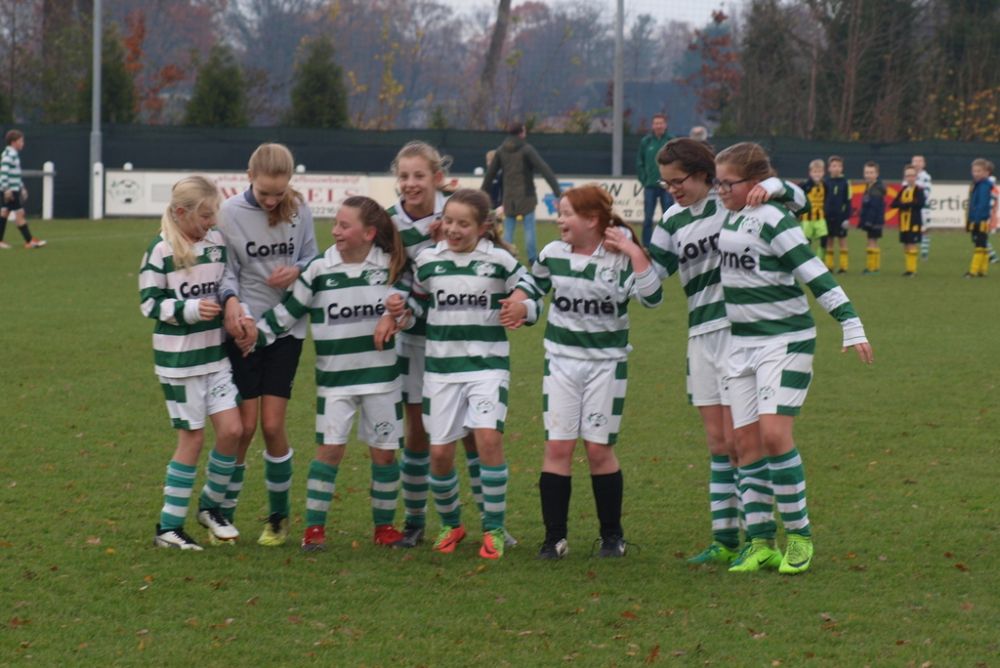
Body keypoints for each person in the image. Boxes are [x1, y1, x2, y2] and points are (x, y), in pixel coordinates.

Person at [714, 142, 873, 575]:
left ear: (753, 182)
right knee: (743, 444)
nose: (721, 190)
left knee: (773, 435)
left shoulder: (772, 218)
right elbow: (796, 195)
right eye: (718, 183)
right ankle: (761, 542)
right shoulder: (729, 213)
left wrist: (850, 322)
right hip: (740, 344)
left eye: (727, 183)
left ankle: (799, 537)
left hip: (785, 341)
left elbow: (813, 271)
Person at [647, 138, 805, 566]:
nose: (672, 190)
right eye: (665, 184)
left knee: (743, 441)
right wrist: (624, 255)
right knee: (719, 443)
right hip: (701, 336)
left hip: (740, 332)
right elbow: (652, 279)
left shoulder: (732, 203)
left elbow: (799, 200)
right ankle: (725, 539)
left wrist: (775, 188)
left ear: (703, 175)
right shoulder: (672, 219)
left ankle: (761, 538)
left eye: (677, 181)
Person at [500, 185, 663, 559]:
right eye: (560, 212)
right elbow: (531, 287)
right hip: (561, 364)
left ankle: (612, 537)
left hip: (606, 367)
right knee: (557, 446)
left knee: (598, 450)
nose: (559, 220)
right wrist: (520, 306)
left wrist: (634, 252)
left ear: (591, 219)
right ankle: (554, 539)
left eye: (566, 213)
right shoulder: (553, 254)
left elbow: (653, 298)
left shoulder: (619, 258)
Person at [252, 196, 411, 551]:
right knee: (329, 451)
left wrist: (399, 314)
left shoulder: (389, 266)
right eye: (336, 223)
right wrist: (251, 336)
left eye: (344, 225)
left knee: (385, 455)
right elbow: (286, 314)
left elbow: (410, 311)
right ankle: (314, 529)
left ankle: (384, 527)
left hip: (383, 380)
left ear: (369, 233)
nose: (335, 231)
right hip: (335, 382)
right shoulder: (319, 269)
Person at [397, 189, 525, 560]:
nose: (453, 229)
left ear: (483, 227)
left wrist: (522, 306)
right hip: (441, 372)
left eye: (463, 224)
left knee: (488, 441)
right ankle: (452, 524)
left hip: (487, 367)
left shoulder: (498, 260)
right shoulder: (428, 261)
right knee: (439, 454)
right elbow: (417, 306)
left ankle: (494, 528)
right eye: (449, 221)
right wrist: (400, 311)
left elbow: (529, 289)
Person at [217, 143, 319, 546]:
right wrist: (235, 309)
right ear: (249, 177)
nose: (273, 200)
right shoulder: (229, 213)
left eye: (280, 192)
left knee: (273, 425)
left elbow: (314, 259)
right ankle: (222, 514)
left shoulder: (299, 209)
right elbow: (226, 270)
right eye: (265, 193)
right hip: (245, 330)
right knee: (243, 429)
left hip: (287, 328)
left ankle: (278, 518)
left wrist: (297, 270)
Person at [139, 176, 245, 550]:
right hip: (179, 362)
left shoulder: (216, 244)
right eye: (204, 216)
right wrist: (190, 309)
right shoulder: (160, 250)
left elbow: (226, 286)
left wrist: (237, 312)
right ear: (181, 213)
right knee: (193, 438)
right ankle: (168, 528)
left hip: (214, 356)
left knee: (233, 430)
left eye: (213, 215)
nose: (211, 223)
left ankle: (211, 507)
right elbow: (149, 303)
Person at [480, 122, 562, 264]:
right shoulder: (527, 149)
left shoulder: (501, 150)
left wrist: (480, 196)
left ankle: (504, 257)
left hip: (509, 198)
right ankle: (532, 259)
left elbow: (490, 175)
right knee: (529, 229)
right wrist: (558, 192)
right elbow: (544, 169)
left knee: (508, 231)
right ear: (521, 132)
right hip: (527, 196)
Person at [0, 129, 45, 249]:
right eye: (21, 141)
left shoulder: (12, 154)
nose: (23, 143)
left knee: (5, 213)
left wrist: (22, 187)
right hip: (10, 191)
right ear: (13, 142)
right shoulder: (9, 155)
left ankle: (1, 240)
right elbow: (4, 173)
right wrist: (6, 189)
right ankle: (29, 241)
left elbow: (15, 174)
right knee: (19, 213)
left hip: (13, 189)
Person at [635, 113, 674, 246]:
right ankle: (646, 245)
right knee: (648, 218)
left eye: (661, 123)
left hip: (667, 186)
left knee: (668, 217)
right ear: (652, 125)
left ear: (665, 125)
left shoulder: (671, 141)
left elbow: (677, 162)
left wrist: (673, 181)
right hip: (650, 186)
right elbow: (639, 162)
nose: (658, 126)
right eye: (656, 123)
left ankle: (669, 244)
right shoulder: (646, 142)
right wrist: (644, 180)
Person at [889, 165, 926, 277]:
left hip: (914, 222)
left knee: (911, 243)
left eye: (912, 175)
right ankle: (908, 268)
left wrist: (905, 204)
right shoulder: (903, 190)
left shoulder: (919, 190)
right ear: (905, 177)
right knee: (905, 244)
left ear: (916, 177)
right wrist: (906, 204)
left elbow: (920, 203)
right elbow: (893, 204)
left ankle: (912, 270)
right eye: (908, 176)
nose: (910, 178)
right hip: (903, 222)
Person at [822, 156, 851, 273]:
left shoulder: (845, 183)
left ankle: (843, 267)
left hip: (840, 217)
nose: (836, 168)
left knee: (842, 240)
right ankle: (829, 266)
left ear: (842, 168)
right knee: (829, 240)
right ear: (829, 168)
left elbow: (848, 201)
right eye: (834, 166)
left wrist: (846, 218)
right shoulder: (825, 182)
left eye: (839, 166)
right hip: (828, 216)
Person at [965, 158, 992, 278]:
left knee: (979, 244)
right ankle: (982, 270)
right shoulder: (977, 184)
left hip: (980, 220)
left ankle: (973, 271)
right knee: (982, 243)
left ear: (986, 172)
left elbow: (982, 204)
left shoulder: (984, 186)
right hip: (977, 219)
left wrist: (976, 220)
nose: (976, 173)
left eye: (979, 171)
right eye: (974, 171)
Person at [858, 161, 886, 275]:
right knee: (872, 241)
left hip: (874, 221)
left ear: (877, 174)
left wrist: (869, 221)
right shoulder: (870, 187)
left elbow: (874, 207)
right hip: (873, 220)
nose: (868, 175)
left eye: (871, 172)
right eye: (867, 172)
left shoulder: (876, 189)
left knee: (872, 242)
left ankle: (872, 268)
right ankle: (874, 267)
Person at [798, 159, 829, 252]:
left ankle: (820, 258)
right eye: (815, 172)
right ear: (810, 173)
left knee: (824, 238)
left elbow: (826, 199)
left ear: (823, 173)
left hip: (820, 218)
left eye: (819, 172)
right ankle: (807, 258)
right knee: (806, 241)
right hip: (807, 218)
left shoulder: (825, 185)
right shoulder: (804, 185)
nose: (817, 174)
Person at [912, 155, 932, 260]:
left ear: (924, 164)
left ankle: (924, 252)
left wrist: (918, 199)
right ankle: (913, 251)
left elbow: (927, 192)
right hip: (912, 207)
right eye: (915, 161)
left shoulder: (926, 177)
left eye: (919, 161)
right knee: (912, 229)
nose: (917, 163)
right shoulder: (908, 176)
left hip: (923, 207)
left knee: (924, 229)